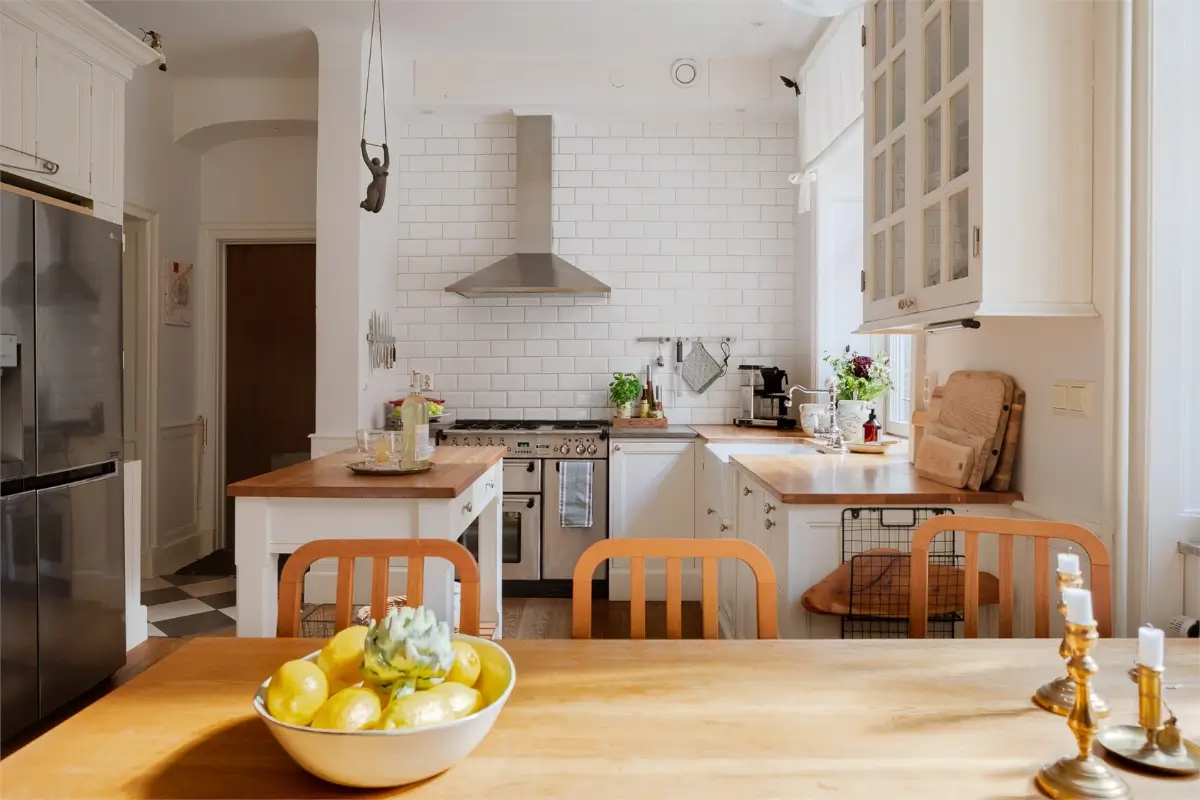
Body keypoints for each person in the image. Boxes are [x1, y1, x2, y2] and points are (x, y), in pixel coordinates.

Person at [360, 139, 389, 213]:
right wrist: (363, 147)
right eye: (374, 159)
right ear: (374, 162)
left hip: (382, 189)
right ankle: (364, 204)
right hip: (373, 188)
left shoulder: (384, 167)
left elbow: (387, 160)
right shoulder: (374, 168)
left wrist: (386, 150)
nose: (376, 158)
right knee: (370, 208)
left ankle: (368, 200)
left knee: (377, 209)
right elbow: (366, 159)